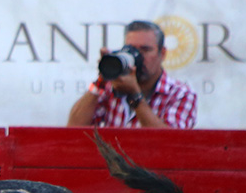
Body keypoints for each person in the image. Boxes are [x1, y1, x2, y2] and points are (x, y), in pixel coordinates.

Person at [67, 20, 197, 129]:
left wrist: (135, 96)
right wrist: (102, 79)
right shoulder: (111, 87)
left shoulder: (180, 94)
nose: (137, 56)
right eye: (131, 49)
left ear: (162, 53)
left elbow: (170, 142)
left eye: (145, 50)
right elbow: (74, 128)